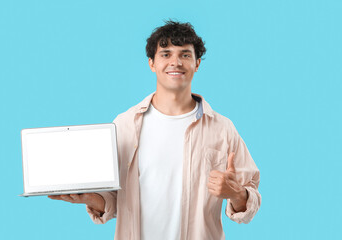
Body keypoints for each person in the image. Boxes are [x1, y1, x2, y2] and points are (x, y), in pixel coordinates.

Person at [49, 20, 261, 240]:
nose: (175, 62)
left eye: (185, 55)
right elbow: (114, 199)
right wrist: (89, 198)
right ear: (151, 63)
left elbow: (250, 200)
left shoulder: (222, 129)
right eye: (166, 54)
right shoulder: (125, 125)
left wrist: (236, 193)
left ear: (197, 63)